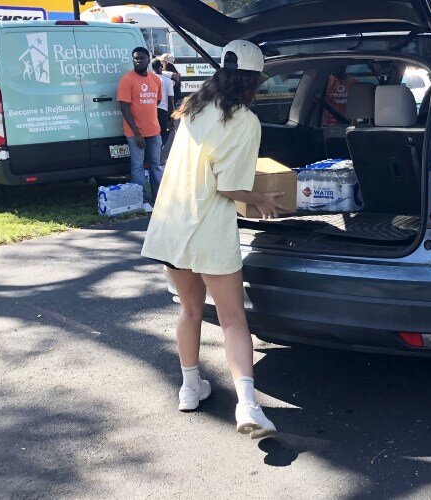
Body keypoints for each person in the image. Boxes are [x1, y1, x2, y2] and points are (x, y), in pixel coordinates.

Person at [141, 40, 285, 439]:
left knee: (189, 311)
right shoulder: (244, 121)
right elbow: (230, 187)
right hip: (208, 230)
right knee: (233, 320)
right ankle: (248, 405)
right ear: (253, 80)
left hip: (172, 226)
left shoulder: (192, 109)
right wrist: (262, 199)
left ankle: (189, 388)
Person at [118, 47, 163, 212]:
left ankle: (159, 198)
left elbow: (156, 102)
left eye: (141, 58)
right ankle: (143, 200)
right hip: (135, 133)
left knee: (155, 166)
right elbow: (124, 107)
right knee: (137, 166)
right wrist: (137, 133)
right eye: (135, 58)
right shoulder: (127, 80)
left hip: (154, 131)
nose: (138, 61)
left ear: (148, 59)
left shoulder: (155, 80)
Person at [151, 58, 175, 145]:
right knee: (164, 133)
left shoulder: (149, 78)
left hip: (150, 110)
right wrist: (172, 117)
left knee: (152, 134)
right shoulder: (167, 80)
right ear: (161, 66)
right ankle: (159, 150)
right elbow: (170, 100)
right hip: (162, 111)